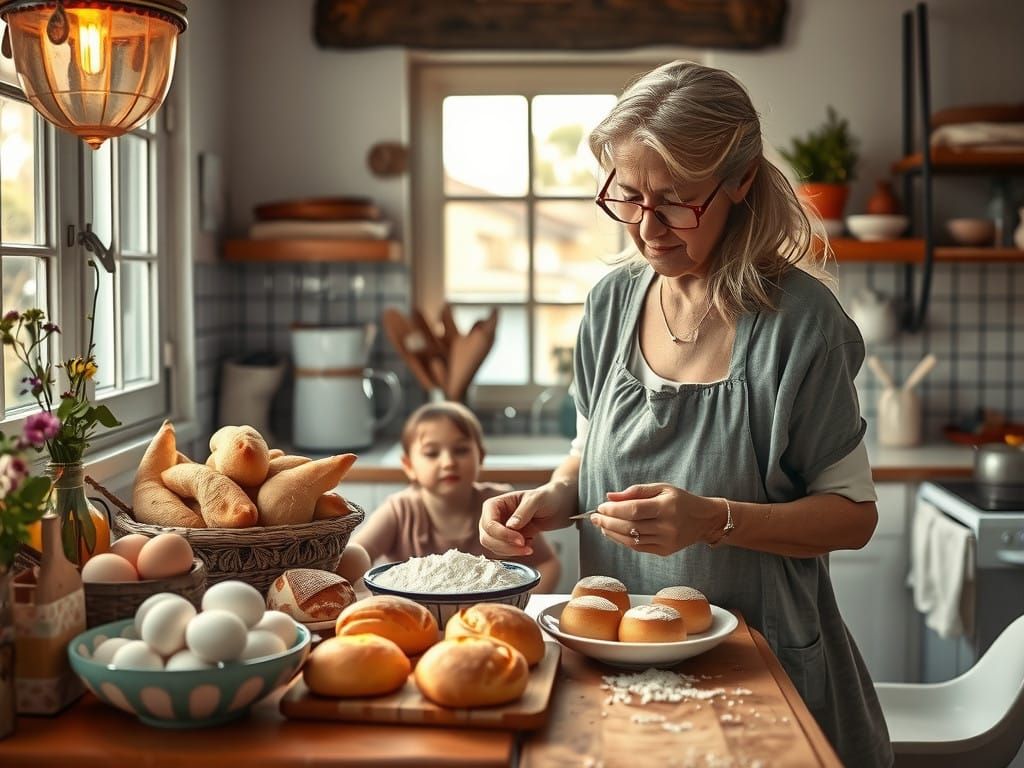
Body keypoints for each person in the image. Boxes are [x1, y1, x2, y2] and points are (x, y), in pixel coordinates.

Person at [479, 61, 892, 766]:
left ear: (739, 183)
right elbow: (588, 448)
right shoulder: (610, 305)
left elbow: (852, 516)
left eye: (675, 202)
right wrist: (551, 497)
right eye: (628, 197)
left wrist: (714, 520)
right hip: (614, 679)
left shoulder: (803, 324)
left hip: (764, 683)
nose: (647, 229)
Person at [352, 400, 561, 592]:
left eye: (460, 450)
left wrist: (522, 608)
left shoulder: (502, 507)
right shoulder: (399, 510)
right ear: (408, 466)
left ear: (480, 456)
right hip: (416, 626)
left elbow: (548, 563)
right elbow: (359, 552)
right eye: (432, 453)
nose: (448, 462)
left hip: (487, 625)